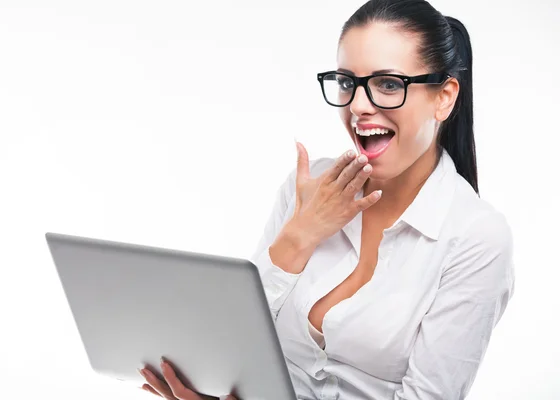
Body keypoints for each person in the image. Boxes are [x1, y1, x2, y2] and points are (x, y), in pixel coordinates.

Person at [138, 0, 515, 398]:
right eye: (348, 82)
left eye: (389, 84)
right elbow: (233, 347)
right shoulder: (308, 186)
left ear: (444, 97)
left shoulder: (477, 238)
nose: (358, 106)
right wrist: (300, 235)